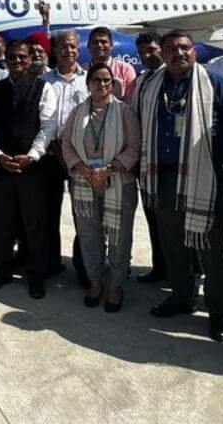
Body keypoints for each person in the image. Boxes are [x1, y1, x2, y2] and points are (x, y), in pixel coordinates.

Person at [138, 29, 223, 342]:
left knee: (212, 250)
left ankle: (219, 312)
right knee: (173, 243)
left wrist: (222, 164)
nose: (178, 53)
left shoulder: (216, 84)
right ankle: (182, 296)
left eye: (184, 47)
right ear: (162, 53)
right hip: (165, 177)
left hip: (206, 177)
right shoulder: (151, 85)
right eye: (172, 48)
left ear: (194, 51)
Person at [61, 64, 141, 312]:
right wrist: (85, 171)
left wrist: (107, 170)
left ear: (114, 84)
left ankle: (115, 285)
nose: (103, 85)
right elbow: (66, 144)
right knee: (89, 235)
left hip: (118, 182)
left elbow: (134, 148)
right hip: (85, 182)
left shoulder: (125, 112)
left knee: (119, 236)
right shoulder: (77, 112)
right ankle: (95, 282)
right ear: (88, 83)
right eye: (97, 80)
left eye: (107, 80)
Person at [0, 40, 59, 298]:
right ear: (5, 59)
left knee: (34, 225)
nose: (17, 62)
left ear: (30, 59)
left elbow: (48, 126)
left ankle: (35, 276)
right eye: (13, 58)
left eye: (22, 58)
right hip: (2, 167)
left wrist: (32, 155)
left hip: (32, 169)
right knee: (1, 223)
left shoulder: (43, 88)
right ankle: (1, 271)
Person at [43, 30, 87, 278]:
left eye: (72, 47)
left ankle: (84, 266)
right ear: (55, 50)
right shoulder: (45, 80)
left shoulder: (88, 79)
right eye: (63, 47)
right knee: (49, 212)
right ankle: (51, 263)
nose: (68, 51)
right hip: (50, 155)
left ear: (78, 50)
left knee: (83, 214)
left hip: (80, 156)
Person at [131, 32, 167, 285]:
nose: (148, 55)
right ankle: (161, 267)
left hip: (166, 162)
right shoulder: (142, 79)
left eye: (152, 50)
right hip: (144, 162)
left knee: (171, 221)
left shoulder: (171, 76)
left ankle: (185, 270)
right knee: (153, 219)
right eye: (143, 52)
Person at [86, 27, 137, 103]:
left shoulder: (125, 70)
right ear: (88, 46)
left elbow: (131, 102)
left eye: (103, 42)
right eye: (95, 42)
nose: (99, 45)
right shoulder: (82, 70)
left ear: (111, 45)